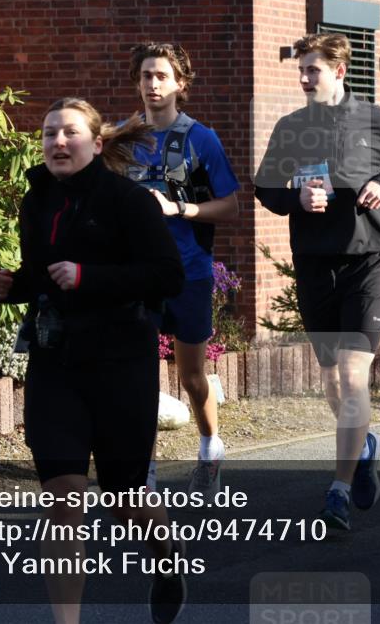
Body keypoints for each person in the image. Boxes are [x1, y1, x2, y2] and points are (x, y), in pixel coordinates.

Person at [0, 98, 186, 624]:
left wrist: (89, 277)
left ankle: (165, 559)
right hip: (57, 364)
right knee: (63, 501)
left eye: (69, 133)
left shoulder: (130, 201)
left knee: (124, 497)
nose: (57, 142)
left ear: (96, 143)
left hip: (122, 364)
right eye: (49, 132)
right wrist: (14, 286)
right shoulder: (37, 202)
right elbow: (43, 274)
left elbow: (168, 277)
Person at [255, 32, 380, 531]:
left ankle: (339, 492)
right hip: (315, 264)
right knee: (330, 379)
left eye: (313, 71)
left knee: (351, 376)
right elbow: (266, 187)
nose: (304, 79)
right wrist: (295, 200)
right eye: (301, 70)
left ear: (339, 72)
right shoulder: (291, 126)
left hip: (368, 263)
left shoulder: (378, 120)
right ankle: (362, 445)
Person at [126, 42, 239, 495]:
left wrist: (179, 209)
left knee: (191, 376)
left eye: (162, 76)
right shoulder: (123, 136)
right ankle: (144, 475)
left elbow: (230, 205)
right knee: (138, 377)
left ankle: (210, 447)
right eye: (146, 76)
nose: (153, 84)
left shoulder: (201, 138)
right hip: (138, 276)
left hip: (189, 272)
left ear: (180, 84)